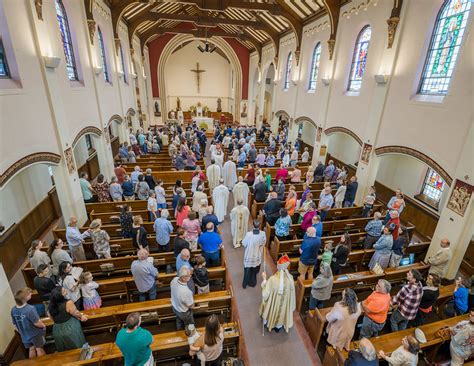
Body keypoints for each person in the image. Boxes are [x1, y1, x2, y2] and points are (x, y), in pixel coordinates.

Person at [260, 255, 296, 333]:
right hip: (284, 305)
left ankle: (270, 322)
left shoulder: (273, 280)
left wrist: (264, 279)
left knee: (270, 307)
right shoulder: (291, 279)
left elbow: (265, 294)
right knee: (282, 310)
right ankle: (278, 326)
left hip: (274, 305)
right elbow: (292, 296)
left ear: (278, 266)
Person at [48, 287, 87, 351]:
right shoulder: (68, 303)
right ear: (59, 295)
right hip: (70, 327)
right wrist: (81, 316)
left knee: (64, 350)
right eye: (64, 291)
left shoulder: (50, 306)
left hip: (57, 329)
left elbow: (51, 318)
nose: (66, 291)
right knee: (77, 345)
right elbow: (75, 313)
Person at [11, 287, 46, 358]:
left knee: (31, 349)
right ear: (25, 298)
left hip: (24, 335)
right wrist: (43, 326)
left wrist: (21, 332)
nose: (31, 294)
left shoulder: (13, 310)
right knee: (39, 349)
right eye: (29, 294)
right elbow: (36, 323)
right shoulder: (30, 309)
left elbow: (14, 324)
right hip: (35, 334)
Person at [242, 220, 266, 289]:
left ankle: (245, 283)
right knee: (254, 269)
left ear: (253, 226)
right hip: (257, 254)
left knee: (247, 269)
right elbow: (263, 243)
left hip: (249, 254)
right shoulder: (263, 234)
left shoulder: (248, 234)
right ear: (259, 225)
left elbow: (244, 244)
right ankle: (253, 283)